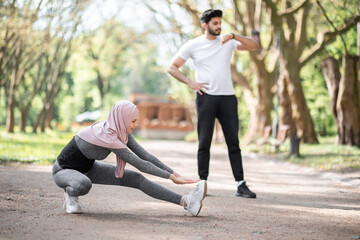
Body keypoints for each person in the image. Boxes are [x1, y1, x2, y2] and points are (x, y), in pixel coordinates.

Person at [52, 100, 207, 216]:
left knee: (137, 179)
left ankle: (187, 202)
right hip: (64, 170)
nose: (134, 124)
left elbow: (145, 155)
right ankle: (70, 194)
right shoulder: (108, 136)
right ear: (123, 119)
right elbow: (139, 163)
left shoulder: (120, 131)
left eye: (135, 121)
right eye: (132, 121)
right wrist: (170, 177)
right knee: (83, 184)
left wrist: (175, 174)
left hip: (88, 169)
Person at [167, 9, 259, 198]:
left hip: (228, 98)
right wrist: (190, 83)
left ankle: (241, 185)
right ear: (205, 25)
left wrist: (234, 35)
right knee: (204, 142)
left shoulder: (228, 42)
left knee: (233, 142)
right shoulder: (193, 45)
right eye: (215, 23)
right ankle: (202, 184)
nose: (219, 26)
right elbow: (172, 67)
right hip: (206, 97)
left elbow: (254, 46)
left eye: (220, 23)